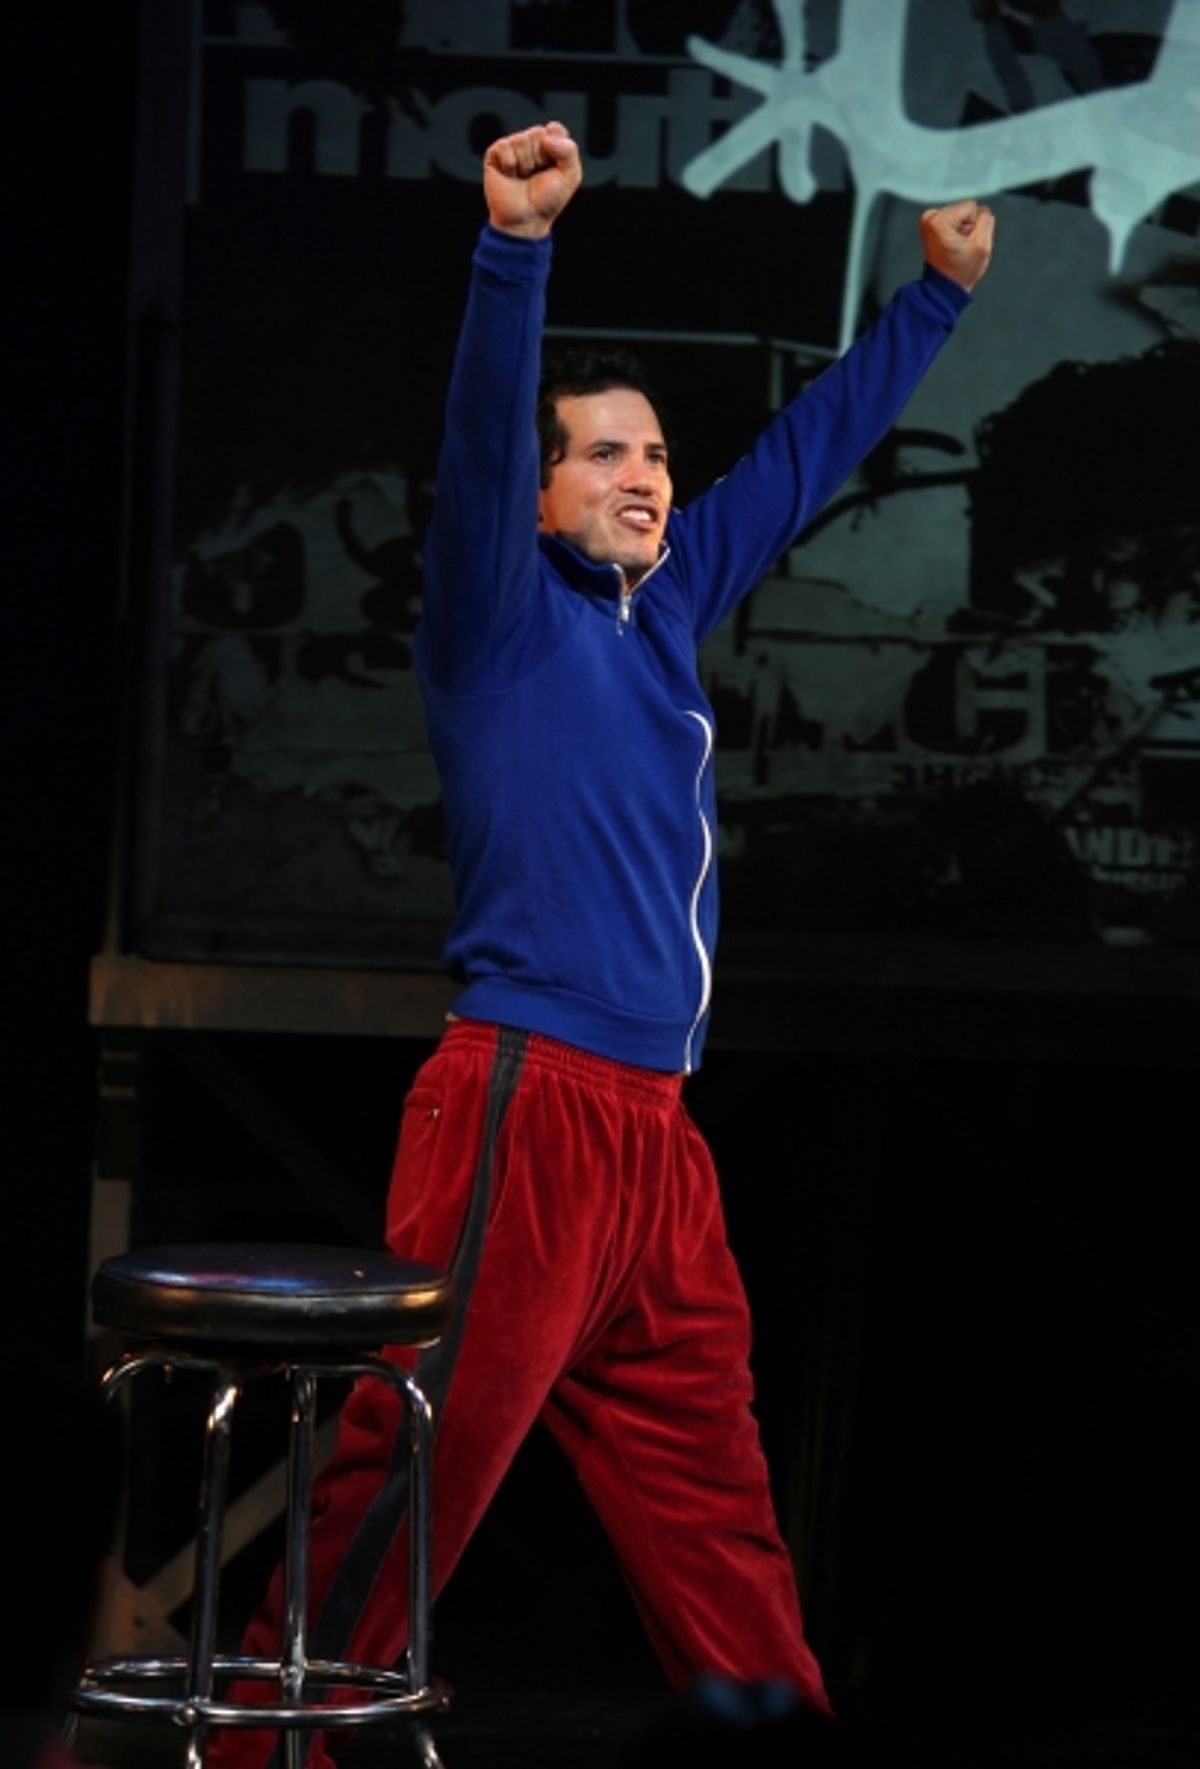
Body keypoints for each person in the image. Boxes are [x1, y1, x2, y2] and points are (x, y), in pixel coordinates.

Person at [213, 121, 993, 1767]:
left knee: (714, 1498)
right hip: (529, 1106)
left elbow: (796, 457)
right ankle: (259, 1741)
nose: (646, 473)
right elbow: (483, 437)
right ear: (546, 495)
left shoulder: (667, 607)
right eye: (605, 455)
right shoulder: (499, 618)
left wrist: (934, 302)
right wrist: (514, 249)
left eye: (655, 451)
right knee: (416, 1465)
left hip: (656, 1140)